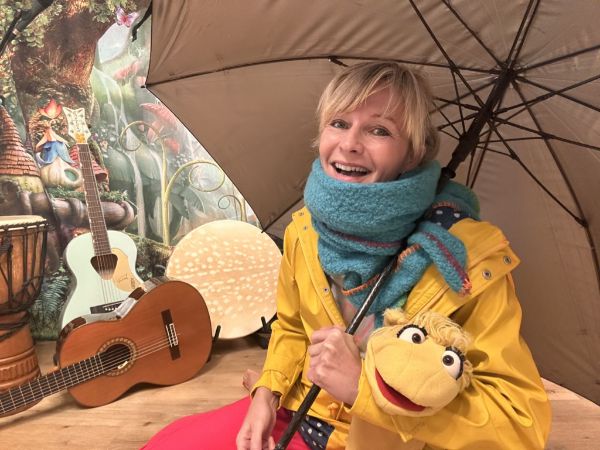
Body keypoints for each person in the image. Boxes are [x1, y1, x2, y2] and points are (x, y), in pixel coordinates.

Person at [144, 62, 551, 450]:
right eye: (339, 123)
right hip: (300, 413)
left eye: (379, 130)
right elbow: (293, 328)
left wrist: (365, 389)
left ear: (413, 153)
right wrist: (268, 392)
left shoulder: (467, 260)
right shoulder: (306, 230)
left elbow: (520, 424)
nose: (350, 144)